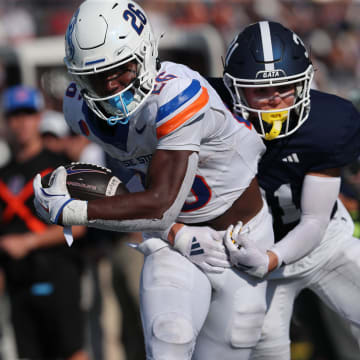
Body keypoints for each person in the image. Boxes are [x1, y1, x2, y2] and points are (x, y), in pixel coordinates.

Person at [33, 0, 275, 359]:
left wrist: (76, 210)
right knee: (167, 340)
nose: (111, 87)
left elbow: (161, 203)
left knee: (228, 349)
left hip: (241, 235)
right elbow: (133, 180)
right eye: (96, 78)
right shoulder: (79, 110)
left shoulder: (176, 92)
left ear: (145, 53)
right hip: (172, 237)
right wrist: (177, 233)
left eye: (120, 70)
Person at [206, 21, 360, 359]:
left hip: (324, 247)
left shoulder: (328, 123)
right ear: (235, 90)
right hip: (249, 264)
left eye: (285, 88)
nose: (275, 100)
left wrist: (271, 258)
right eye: (260, 91)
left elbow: (314, 222)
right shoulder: (210, 114)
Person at [0, 85, 89, 360]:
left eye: (28, 114)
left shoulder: (60, 167)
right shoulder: (4, 174)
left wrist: (29, 241)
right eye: (15, 116)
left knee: (72, 350)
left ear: (39, 117)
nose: (21, 123)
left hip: (58, 273)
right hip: (18, 283)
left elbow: (79, 225)